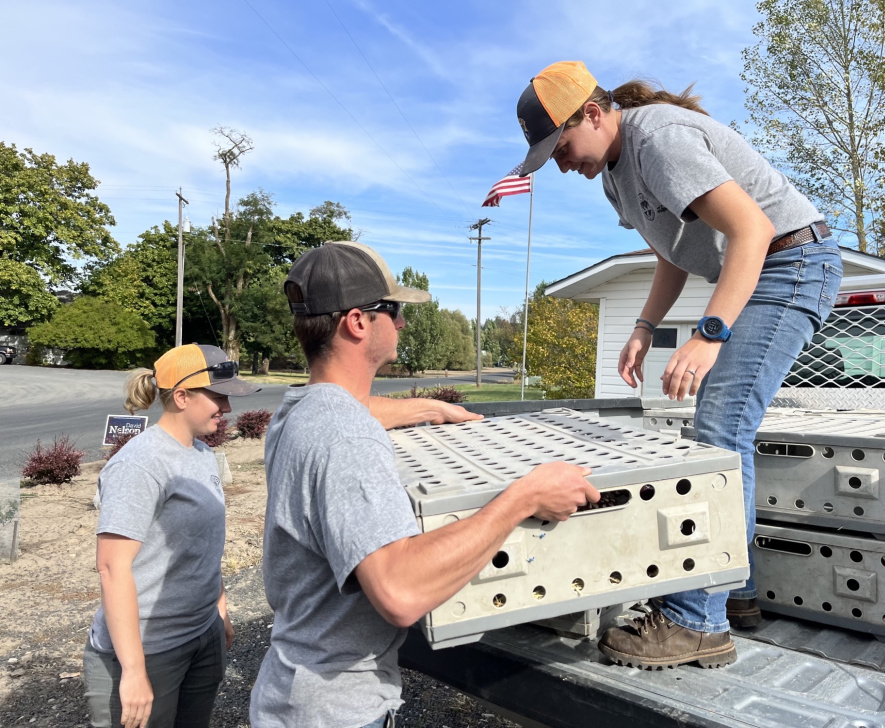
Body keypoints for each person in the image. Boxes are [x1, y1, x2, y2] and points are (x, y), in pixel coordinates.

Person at [515, 61, 843, 669]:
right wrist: (644, 327)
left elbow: (753, 229)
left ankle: (697, 621)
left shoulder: (657, 138)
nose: (560, 165)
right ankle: (733, 591)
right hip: (763, 267)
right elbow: (672, 253)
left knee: (718, 433)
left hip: (792, 263)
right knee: (721, 435)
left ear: (592, 113)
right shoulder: (615, 174)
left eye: (559, 148)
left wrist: (709, 333)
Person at [249, 241, 598, 728]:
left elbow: (352, 411)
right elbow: (399, 592)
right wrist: (524, 497)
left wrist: (431, 410)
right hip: (337, 713)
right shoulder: (345, 437)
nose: (404, 323)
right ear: (357, 322)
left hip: (295, 694)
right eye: (393, 311)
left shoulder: (301, 411)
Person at [83, 344, 260, 728]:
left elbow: (201, 545)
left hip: (201, 633)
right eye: (218, 396)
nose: (227, 408)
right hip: (148, 649)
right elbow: (112, 568)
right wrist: (133, 670)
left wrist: (220, 611)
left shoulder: (200, 453)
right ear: (181, 396)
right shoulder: (139, 465)